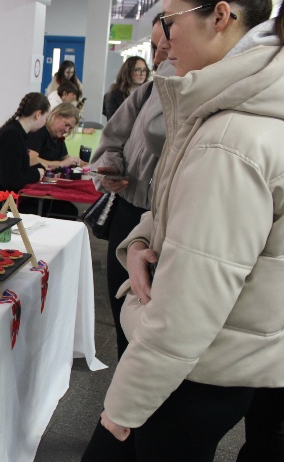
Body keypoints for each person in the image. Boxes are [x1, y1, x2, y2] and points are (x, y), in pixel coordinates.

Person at [81, 1, 284, 462]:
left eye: (170, 21)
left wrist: (120, 409)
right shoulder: (224, 110)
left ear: (219, 17)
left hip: (196, 370)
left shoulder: (232, 138)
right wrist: (140, 240)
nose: (162, 37)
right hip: (206, 361)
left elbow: (187, 311)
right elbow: (174, 208)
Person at [89, 13, 171, 358]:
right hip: (129, 210)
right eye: (154, 47)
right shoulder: (148, 92)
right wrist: (112, 169)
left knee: (157, 329)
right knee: (123, 313)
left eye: (166, 45)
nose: (157, 57)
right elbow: (111, 141)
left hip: (170, 221)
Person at [0, 92, 48, 210]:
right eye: (46, 118)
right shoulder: (12, 136)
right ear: (38, 114)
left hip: (5, 201)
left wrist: (37, 168)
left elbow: (16, 170)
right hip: (0, 206)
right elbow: (10, 181)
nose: (45, 122)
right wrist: (36, 174)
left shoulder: (16, 132)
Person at [102, 56, 148, 121]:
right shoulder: (114, 95)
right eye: (138, 70)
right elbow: (113, 122)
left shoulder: (148, 92)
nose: (142, 73)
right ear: (128, 71)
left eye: (144, 70)